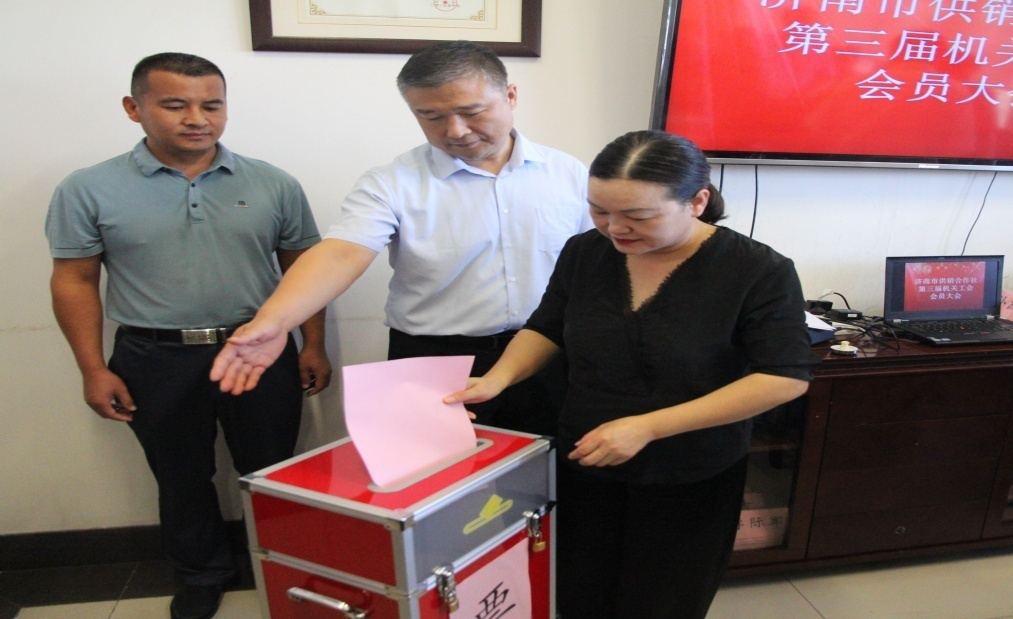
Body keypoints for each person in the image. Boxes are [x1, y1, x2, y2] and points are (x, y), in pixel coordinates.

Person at [443, 130, 819, 618]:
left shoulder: (757, 270)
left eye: (639, 216)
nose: (614, 228)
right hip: (586, 458)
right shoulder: (586, 252)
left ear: (697, 202)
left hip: (689, 471)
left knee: (660, 602)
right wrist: (498, 379)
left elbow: (784, 376)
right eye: (599, 210)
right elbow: (547, 328)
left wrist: (648, 427)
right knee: (579, 593)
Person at [45, 53, 330, 619]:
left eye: (212, 105)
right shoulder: (88, 188)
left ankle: (285, 567)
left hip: (258, 349)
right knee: (179, 475)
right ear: (134, 108)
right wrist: (92, 368)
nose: (197, 118)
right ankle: (202, 574)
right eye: (175, 105)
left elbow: (305, 268)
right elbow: (74, 280)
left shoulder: (273, 183)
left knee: (272, 470)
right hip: (153, 356)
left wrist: (314, 344)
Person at [211, 41, 590, 436]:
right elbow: (341, 254)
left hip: (550, 353)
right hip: (434, 360)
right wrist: (274, 321)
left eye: (471, 112)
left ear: (510, 96)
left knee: (555, 467)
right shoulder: (392, 182)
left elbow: (596, 265)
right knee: (438, 469)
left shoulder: (568, 174)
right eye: (431, 116)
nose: (456, 130)